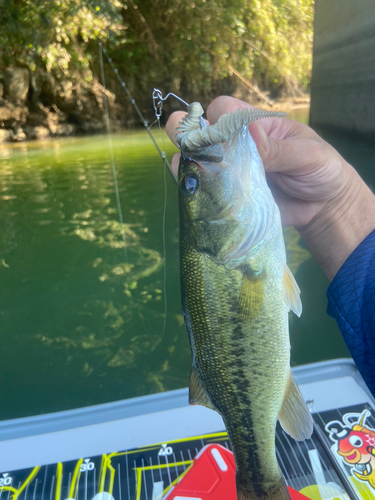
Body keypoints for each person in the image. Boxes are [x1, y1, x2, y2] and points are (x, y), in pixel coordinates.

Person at [166, 95, 375, 396]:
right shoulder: (246, 260)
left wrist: (338, 203)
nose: (194, 177)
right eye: (191, 185)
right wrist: (337, 206)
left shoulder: (245, 257)